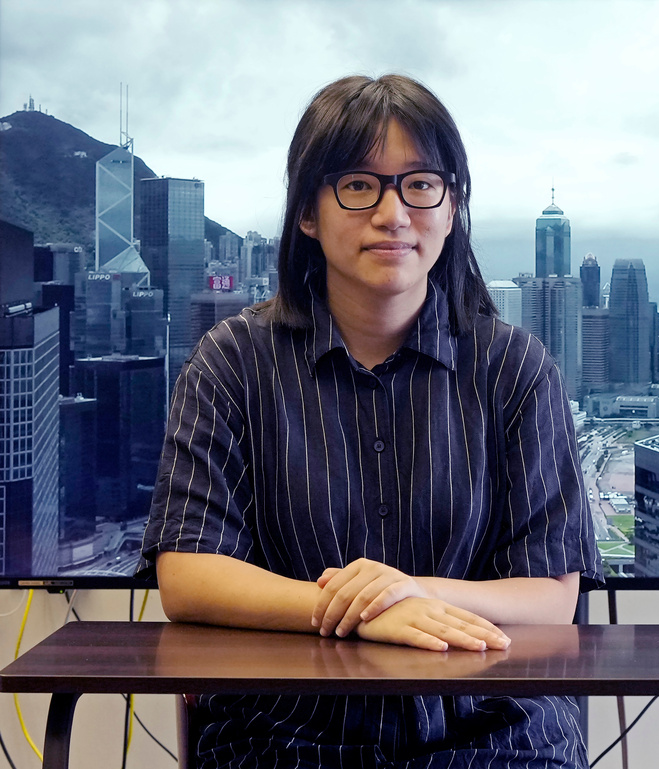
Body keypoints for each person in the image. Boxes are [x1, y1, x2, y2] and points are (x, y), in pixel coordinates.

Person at [139, 73, 602, 768]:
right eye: (359, 185)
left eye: (420, 184)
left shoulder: (516, 368)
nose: (394, 213)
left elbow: (549, 596)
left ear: (451, 209)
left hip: (495, 736)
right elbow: (189, 574)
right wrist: (367, 612)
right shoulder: (232, 361)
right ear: (306, 212)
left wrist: (409, 590)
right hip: (285, 734)